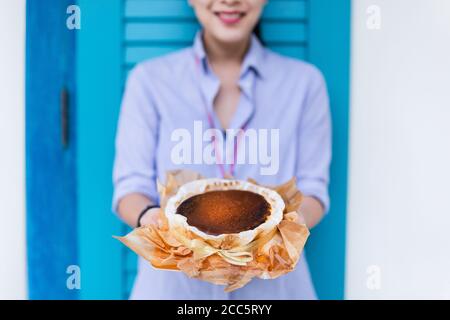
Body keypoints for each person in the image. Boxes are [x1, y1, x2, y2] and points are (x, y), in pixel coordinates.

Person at [112, 0, 331, 299]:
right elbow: (130, 187)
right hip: (174, 291)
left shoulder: (305, 83)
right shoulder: (149, 81)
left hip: (274, 291)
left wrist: (285, 229)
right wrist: (151, 217)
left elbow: (313, 190)